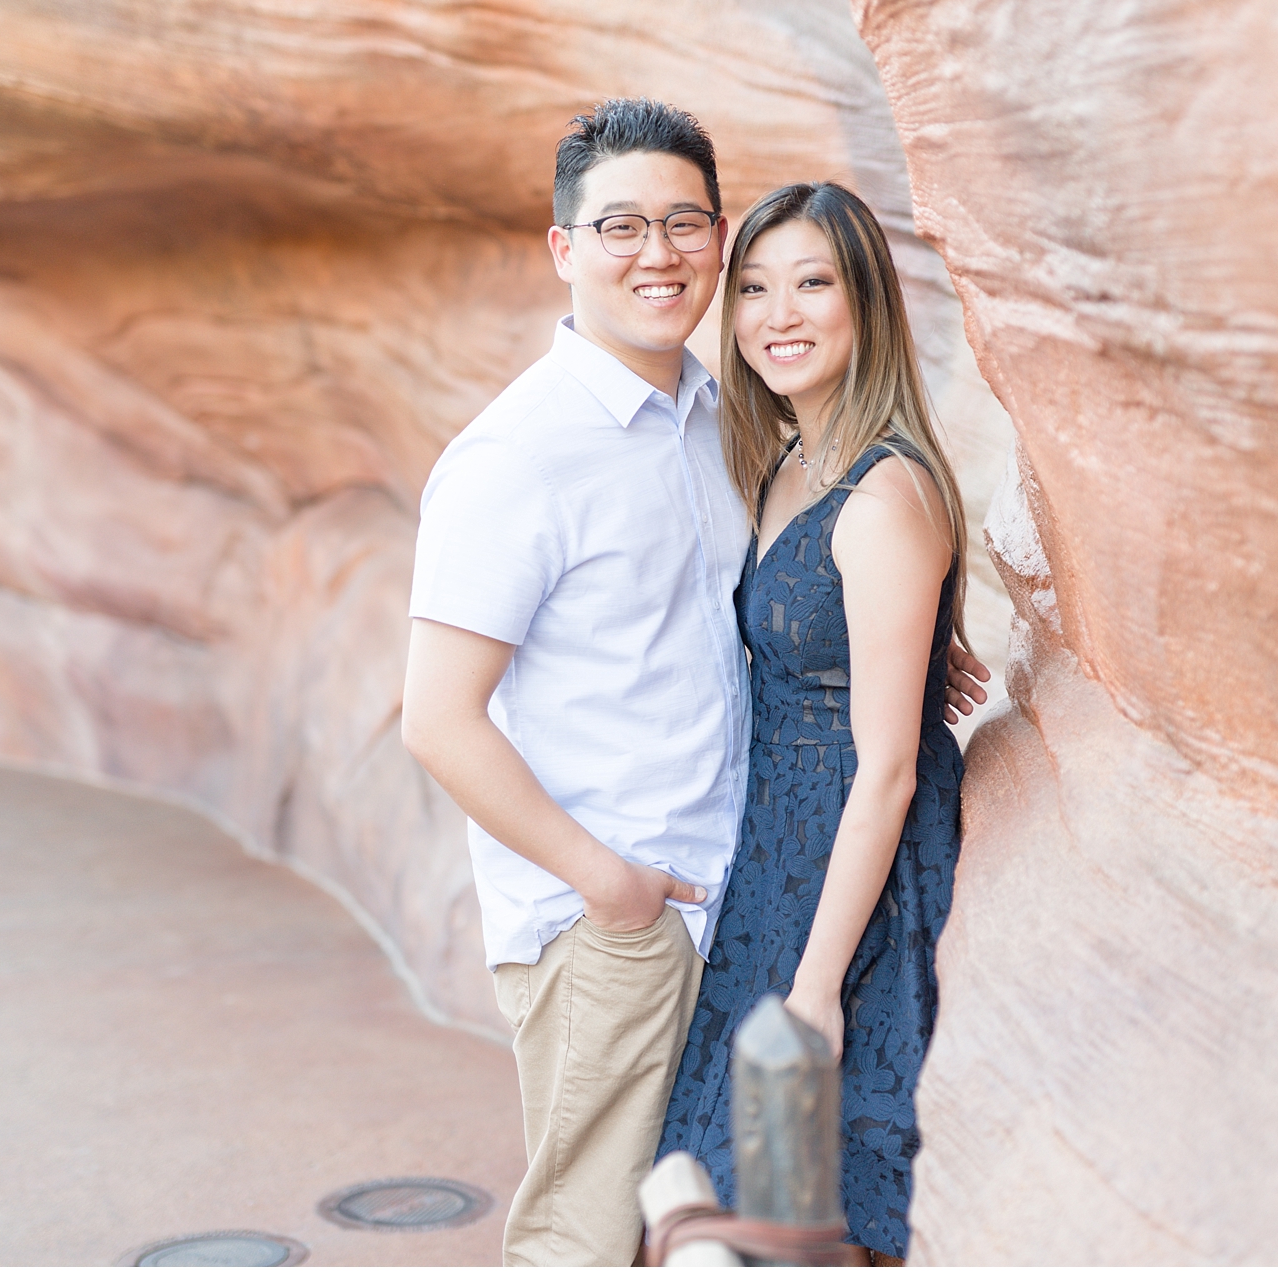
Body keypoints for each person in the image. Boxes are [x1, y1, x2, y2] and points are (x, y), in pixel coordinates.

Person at [402, 100, 990, 1267]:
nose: (656, 252)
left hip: (743, 888)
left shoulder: (722, 425)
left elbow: (797, 605)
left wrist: (911, 647)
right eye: (619, 225)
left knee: (705, 1217)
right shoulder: (514, 457)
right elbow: (436, 718)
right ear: (565, 248)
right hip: (616, 910)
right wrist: (605, 886)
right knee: (590, 1233)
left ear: (712, 239)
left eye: (682, 222)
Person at [658, 182, 969, 1267]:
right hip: (772, 854)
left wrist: (818, 984)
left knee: (787, 1201)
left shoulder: (883, 495)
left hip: (847, 871)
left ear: (864, 302)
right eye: (751, 287)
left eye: (809, 282)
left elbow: (886, 770)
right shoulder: (790, 458)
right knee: (703, 1177)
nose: (774, 313)